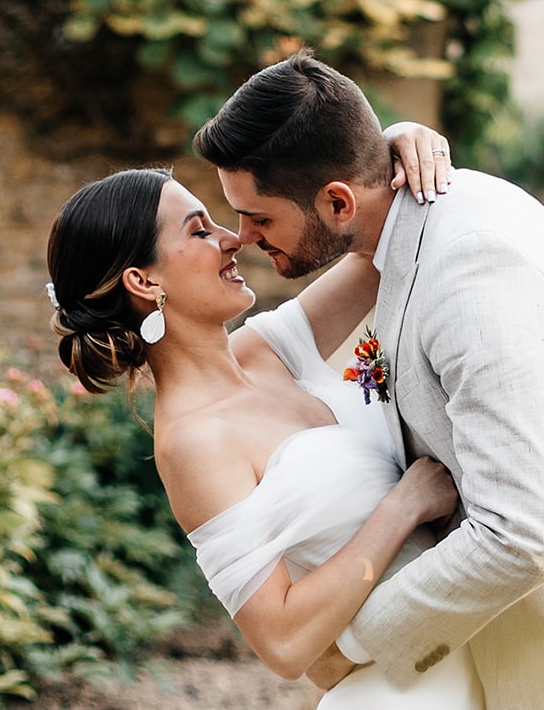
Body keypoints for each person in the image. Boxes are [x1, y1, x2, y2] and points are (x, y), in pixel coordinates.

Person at [193, 51, 544, 708]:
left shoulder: (471, 264)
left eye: (258, 217)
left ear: (338, 200)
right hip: (506, 649)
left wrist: (355, 643)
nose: (243, 236)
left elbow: (522, 533)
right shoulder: (408, 232)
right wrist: (391, 144)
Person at [45, 126, 484, 708]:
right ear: (144, 281)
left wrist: (393, 145)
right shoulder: (194, 443)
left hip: (472, 651)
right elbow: (281, 643)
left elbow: (388, 240)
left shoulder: (269, 348)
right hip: (402, 690)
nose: (232, 239)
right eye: (199, 230)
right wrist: (403, 507)